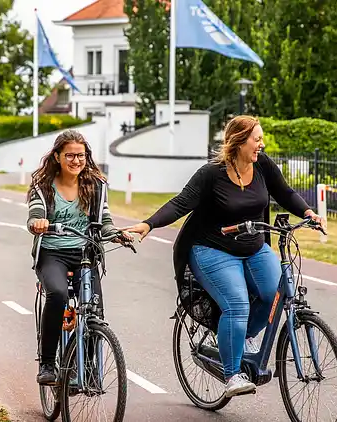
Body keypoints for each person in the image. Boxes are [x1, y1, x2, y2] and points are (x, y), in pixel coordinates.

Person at [121, 115, 325, 396]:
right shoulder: (211, 173)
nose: (261, 144)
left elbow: (285, 192)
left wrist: (308, 212)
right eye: (257, 139)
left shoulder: (262, 165)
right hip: (211, 248)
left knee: (275, 293)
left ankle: (243, 336)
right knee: (237, 304)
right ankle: (232, 374)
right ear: (239, 141)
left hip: (253, 246)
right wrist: (148, 224)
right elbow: (181, 202)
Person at [26, 129, 132, 385]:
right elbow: (34, 213)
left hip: (86, 254)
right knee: (59, 295)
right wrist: (38, 222)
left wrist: (115, 234)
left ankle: (89, 369)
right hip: (52, 254)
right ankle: (48, 364)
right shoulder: (42, 187)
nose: (76, 161)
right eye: (70, 155)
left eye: (81, 155)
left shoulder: (96, 186)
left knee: (94, 309)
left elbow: (104, 221)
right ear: (57, 157)